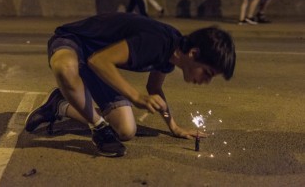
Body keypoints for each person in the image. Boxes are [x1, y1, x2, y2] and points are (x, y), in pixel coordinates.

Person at [25, 13, 236, 157]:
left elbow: (154, 89)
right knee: (65, 68)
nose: (206, 81)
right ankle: (98, 128)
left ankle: (60, 105)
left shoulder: (171, 55)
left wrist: (174, 127)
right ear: (194, 53)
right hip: (73, 43)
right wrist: (136, 97)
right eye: (207, 73)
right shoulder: (157, 42)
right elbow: (99, 61)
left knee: (126, 131)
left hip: (97, 62)